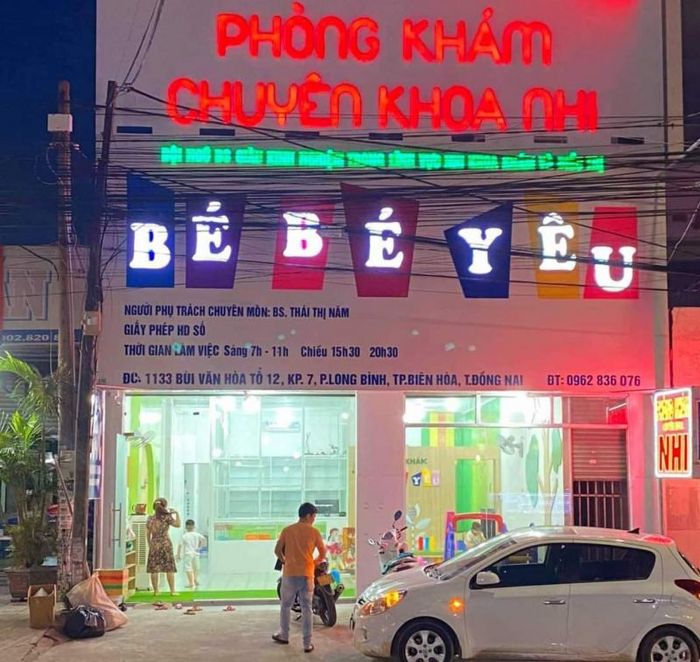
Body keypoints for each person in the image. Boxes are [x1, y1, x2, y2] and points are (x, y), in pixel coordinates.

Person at [272, 502, 326, 654]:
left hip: (289, 574)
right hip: (307, 574)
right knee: (306, 608)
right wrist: (314, 562)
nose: (314, 519)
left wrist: (284, 560)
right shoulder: (314, 532)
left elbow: (277, 550)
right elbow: (323, 553)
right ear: (308, 515)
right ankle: (307, 644)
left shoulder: (288, 530)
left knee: (285, 606)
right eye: (314, 516)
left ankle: (284, 635)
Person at [147, 497, 181, 596]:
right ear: (164, 506)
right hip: (166, 543)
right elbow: (178, 525)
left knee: (154, 568)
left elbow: (148, 534)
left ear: (154, 507)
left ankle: (156, 591)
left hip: (154, 544)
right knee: (169, 567)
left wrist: (150, 544)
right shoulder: (167, 517)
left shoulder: (150, 518)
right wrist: (177, 513)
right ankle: (172, 591)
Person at [176, 519, 206, 589]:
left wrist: (178, 555)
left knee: (188, 568)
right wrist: (200, 547)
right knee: (196, 568)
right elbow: (204, 539)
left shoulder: (184, 536)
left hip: (188, 554)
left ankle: (191, 583)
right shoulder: (197, 534)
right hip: (196, 553)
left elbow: (180, 546)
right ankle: (195, 579)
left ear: (186, 527)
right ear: (194, 526)